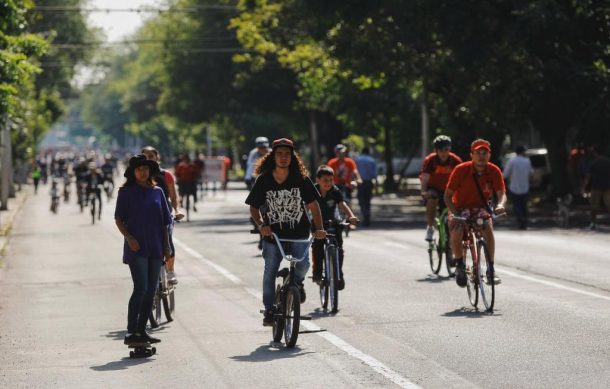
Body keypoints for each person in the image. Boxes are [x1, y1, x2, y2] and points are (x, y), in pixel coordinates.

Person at [245, 138, 326, 326]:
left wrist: (319, 228)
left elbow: (313, 205)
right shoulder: (264, 179)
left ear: (292, 157)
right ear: (273, 156)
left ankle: (296, 284)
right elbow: (254, 208)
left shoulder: (301, 179)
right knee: (270, 270)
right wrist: (261, 225)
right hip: (273, 235)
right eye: (279, 154)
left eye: (287, 154)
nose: (283, 157)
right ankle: (269, 309)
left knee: (303, 265)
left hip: (299, 233)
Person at [114, 155, 172, 345]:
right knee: (141, 288)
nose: (142, 172)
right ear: (133, 172)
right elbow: (119, 219)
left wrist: (167, 245)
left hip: (156, 246)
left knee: (151, 290)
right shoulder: (126, 192)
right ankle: (131, 332)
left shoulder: (157, 192)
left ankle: (141, 331)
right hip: (136, 247)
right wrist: (129, 237)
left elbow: (165, 222)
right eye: (139, 169)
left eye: (145, 168)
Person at [444, 139, 507, 287]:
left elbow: (501, 193)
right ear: (471, 155)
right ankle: (459, 265)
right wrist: (455, 213)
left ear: (489, 155)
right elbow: (447, 196)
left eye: (485, 153)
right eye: (478, 153)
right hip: (460, 207)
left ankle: (491, 269)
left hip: (480, 208)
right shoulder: (461, 170)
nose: (481, 156)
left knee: (487, 226)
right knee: (457, 229)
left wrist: (500, 205)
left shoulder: (494, 170)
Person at [142, 146, 184, 284]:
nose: (148, 159)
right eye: (145, 156)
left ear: (157, 158)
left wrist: (176, 210)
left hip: (163, 215)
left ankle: (170, 271)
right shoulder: (140, 175)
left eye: (151, 156)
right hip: (145, 216)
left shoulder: (166, 175)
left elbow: (173, 196)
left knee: (168, 243)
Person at [311, 165, 358, 289]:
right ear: (318, 180)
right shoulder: (312, 191)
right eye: (325, 180)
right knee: (317, 248)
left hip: (333, 222)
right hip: (318, 225)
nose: (328, 183)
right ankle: (317, 273)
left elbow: (342, 204)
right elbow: (305, 207)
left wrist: (351, 216)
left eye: (331, 180)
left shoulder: (335, 191)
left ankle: (338, 273)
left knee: (339, 249)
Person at [420, 135, 463, 240]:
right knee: (431, 201)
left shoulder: (455, 161)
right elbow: (425, 177)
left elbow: (462, 178)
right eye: (440, 150)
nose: (444, 152)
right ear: (436, 150)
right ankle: (430, 227)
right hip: (433, 189)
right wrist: (424, 191)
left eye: (446, 149)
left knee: (455, 208)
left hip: (449, 190)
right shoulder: (430, 160)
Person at [503, 145, 533, 229]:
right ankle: (524, 220)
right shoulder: (527, 161)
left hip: (514, 187)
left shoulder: (512, 161)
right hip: (525, 187)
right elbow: (531, 173)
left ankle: (520, 219)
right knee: (524, 205)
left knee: (516, 205)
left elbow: (505, 174)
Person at [583, 145, 610, 230]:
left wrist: (584, 188)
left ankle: (593, 223)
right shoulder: (608, 162)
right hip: (608, 187)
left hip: (596, 187)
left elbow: (588, 177)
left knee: (594, 207)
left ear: (595, 153)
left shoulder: (593, 163)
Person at [355, 147, 377, 226]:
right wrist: (376, 185)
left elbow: (355, 172)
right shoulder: (372, 160)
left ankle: (364, 214)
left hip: (360, 182)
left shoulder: (358, 160)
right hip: (369, 182)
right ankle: (367, 217)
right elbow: (374, 174)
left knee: (361, 200)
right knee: (368, 200)